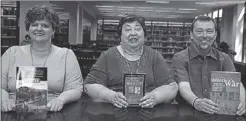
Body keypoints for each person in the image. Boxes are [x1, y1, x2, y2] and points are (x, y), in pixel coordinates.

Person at [84, 14, 178, 108]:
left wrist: (155, 97)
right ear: (120, 35)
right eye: (128, 29)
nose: (133, 33)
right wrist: (111, 97)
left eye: (137, 29)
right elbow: (90, 85)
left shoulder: (154, 56)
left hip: (148, 112)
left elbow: (172, 87)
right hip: (114, 111)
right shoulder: (108, 56)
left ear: (144, 34)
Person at [1, 5, 83, 112]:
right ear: (28, 29)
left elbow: (76, 89)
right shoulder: (11, 53)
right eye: (34, 25)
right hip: (13, 112)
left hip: (52, 112)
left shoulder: (67, 55)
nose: (39, 29)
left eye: (45, 25)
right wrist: (4, 99)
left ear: (53, 30)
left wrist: (60, 100)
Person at [172, 16, 245, 115]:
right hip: (188, 112)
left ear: (215, 35)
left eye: (209, 31)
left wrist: (243, 101)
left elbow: (236, 84)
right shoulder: (180, 58)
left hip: (218, 112)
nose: (204, 35)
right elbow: (183, 86)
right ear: (191, 35)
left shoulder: (225, 58)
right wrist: (196, 101)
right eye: (199, 31)